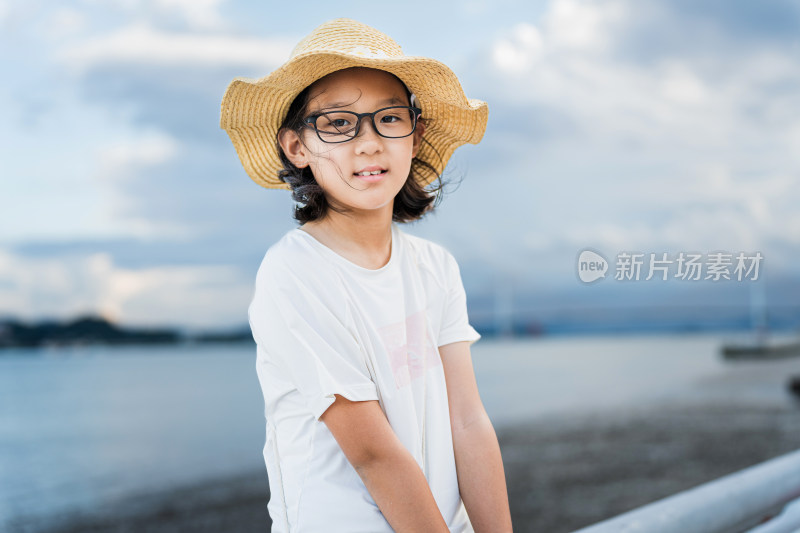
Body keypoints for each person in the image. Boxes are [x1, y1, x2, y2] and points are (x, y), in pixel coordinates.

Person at [220, 18, 512, 533]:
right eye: (337, 123)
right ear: (297, 148)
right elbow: (374, 454)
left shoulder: (435, 268)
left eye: (390, 119)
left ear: (416, 136)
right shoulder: (294, 272)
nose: (369, 142)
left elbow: (468, 423)